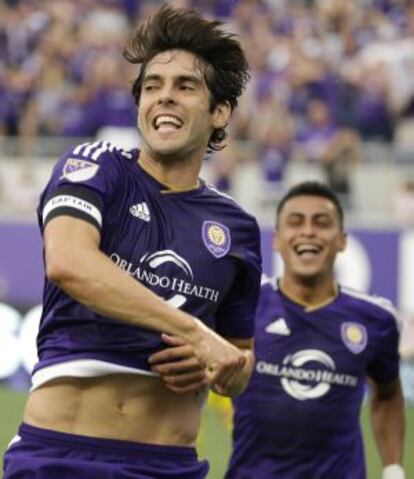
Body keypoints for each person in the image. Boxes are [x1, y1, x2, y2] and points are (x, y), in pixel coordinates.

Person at [3, 5, 261, 479]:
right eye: (152, 87)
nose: (164, 98)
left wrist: (231, 370)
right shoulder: (97, 166)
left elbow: (237, 358)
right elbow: (69, 262)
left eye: (185, 87)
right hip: (59, 456)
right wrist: (194, 333)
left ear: (220, 111)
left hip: (168, 465)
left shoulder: (238, 229)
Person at [225, 181, 405, 479]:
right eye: (296, 222)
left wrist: (394, 469)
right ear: (277, 239)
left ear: (342, 240)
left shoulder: (376, 318)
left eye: (321, 223)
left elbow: (387, 393)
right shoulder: (243, 305)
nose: (308, 231)